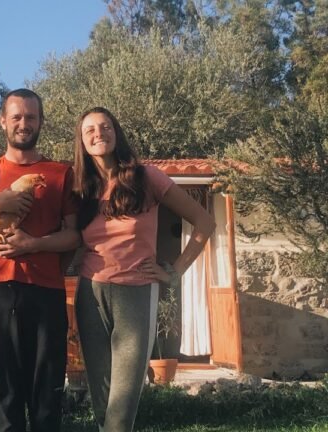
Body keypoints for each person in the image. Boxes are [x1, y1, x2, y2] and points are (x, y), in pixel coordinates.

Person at [72, 107, 215, 432]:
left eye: (105, 126)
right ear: (81, 141)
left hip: (135, 293)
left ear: (116, 132)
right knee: (101, 398)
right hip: (89, 293)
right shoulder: (81, 188)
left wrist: (174, 272)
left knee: (122, 408)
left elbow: (205, 222)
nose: (98, 134)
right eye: (89, 130)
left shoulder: (147, 177)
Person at [0, 88, 79, 432]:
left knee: (47, 398)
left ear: (41, 122)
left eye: (31, 117)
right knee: (5, 398)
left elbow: (74, 236)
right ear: (3, 121)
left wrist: (32, 245)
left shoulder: (60, 173)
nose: (24, 123)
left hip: (47, 290)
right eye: (17, 116)